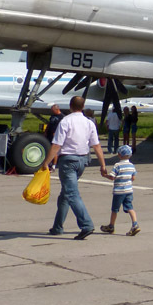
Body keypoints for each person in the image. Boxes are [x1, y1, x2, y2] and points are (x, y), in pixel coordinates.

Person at [42, 95, 107, 239]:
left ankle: (86, 225)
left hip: (68, 161)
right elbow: (96, 145)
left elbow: (57, 145)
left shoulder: (65, 121)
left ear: (70, 106)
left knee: (71, 194)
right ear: (82, 107)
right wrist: (102, 165)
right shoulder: (88, 122)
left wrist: (46, 162)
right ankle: (57, 227)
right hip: (82, 161)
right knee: (65, 194)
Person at [100, 144, 140, 235]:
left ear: (119, 155)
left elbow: (112, 177)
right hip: (129, 190)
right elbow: (133, 178)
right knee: (130, 207)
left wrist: (105, 175)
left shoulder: (117, 165)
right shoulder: (131, 165)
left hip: (119, 191)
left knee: (115, 209)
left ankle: (111, 226)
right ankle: (135, 224)